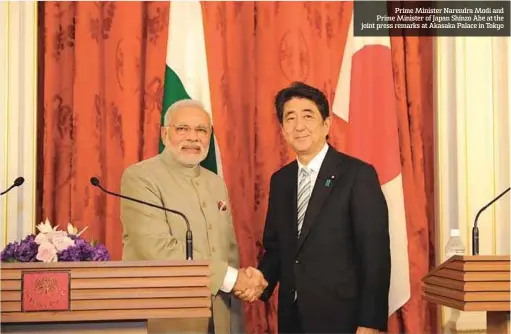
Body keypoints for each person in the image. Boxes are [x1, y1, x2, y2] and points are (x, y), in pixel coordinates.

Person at [236, 82, 391, 333]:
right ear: (283, 129)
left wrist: (370, 322)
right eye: (290, 118)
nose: (299, 126)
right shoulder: (281, 180)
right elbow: (277, 247)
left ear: (326, 124)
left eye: (308, 116)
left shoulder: (357, 175)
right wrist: (261, 279)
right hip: (292, 318)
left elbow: (375, 255)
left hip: (344, 319)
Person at [120, 99, 267, 334]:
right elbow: (158, 250)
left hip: (219, 317)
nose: (193, 137)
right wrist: (233, 279)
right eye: (182, 129)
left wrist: (242, 287)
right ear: (164, 134)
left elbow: (228, 251)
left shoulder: (215, 182)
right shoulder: (140, 177)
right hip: (166, 319)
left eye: (201, 130)